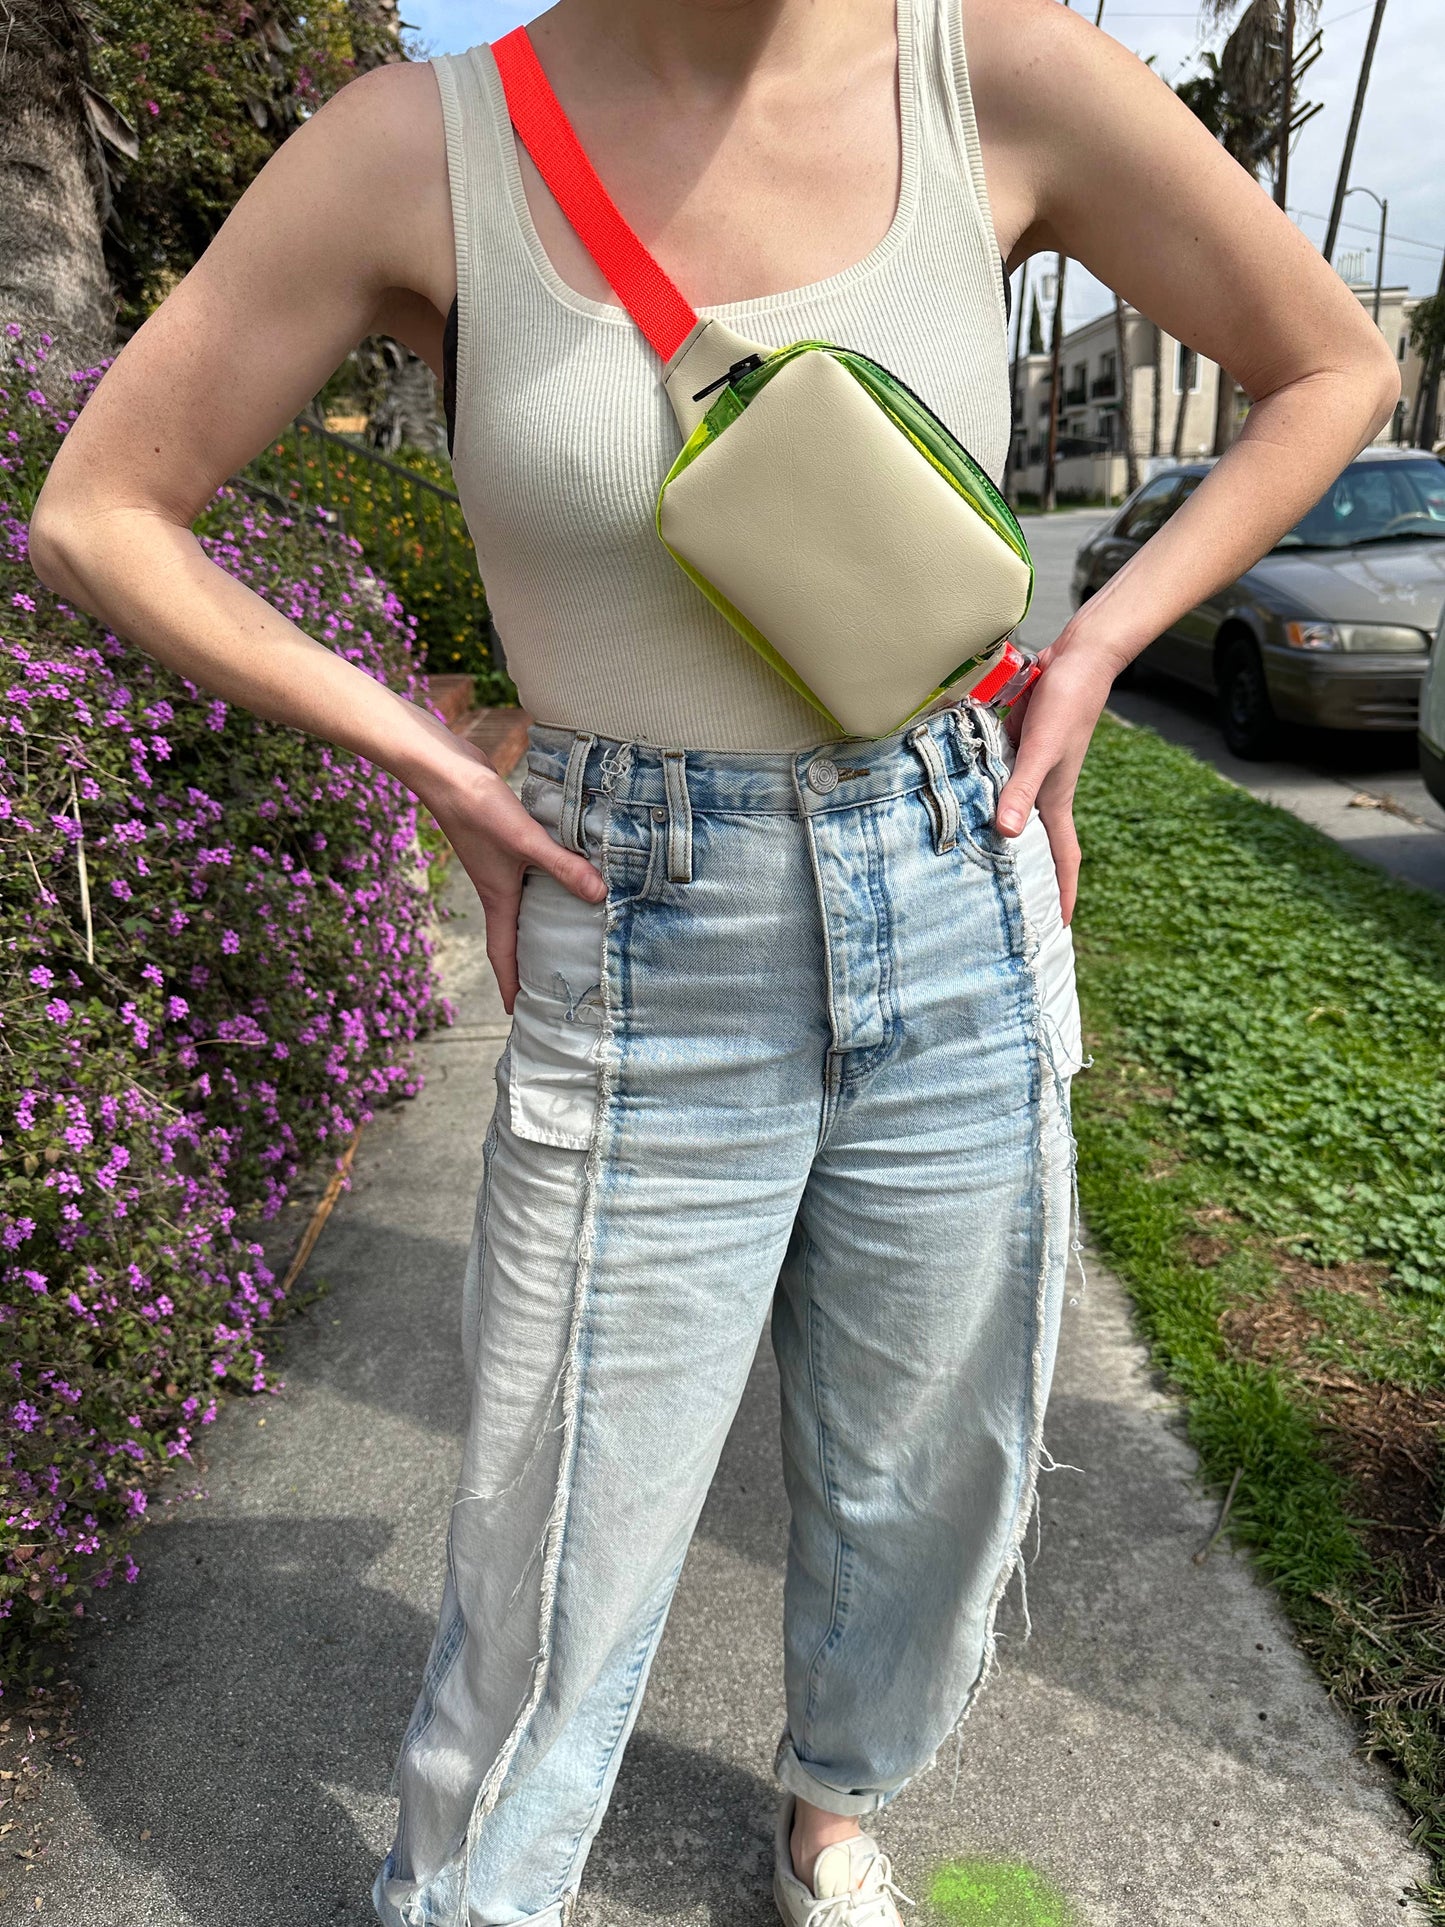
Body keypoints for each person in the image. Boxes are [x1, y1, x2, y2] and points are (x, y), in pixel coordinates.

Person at [27, 0, 1398, 1920]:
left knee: (927, 1468)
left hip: (952, 872)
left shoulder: (994, 76)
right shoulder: (420, 147)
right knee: (555, 1523)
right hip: (634, 921)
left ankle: (836, 1802)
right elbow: (100, 509)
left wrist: (1092, 645)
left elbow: (1330, 362)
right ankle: (469, 1900)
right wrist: (432, 756)